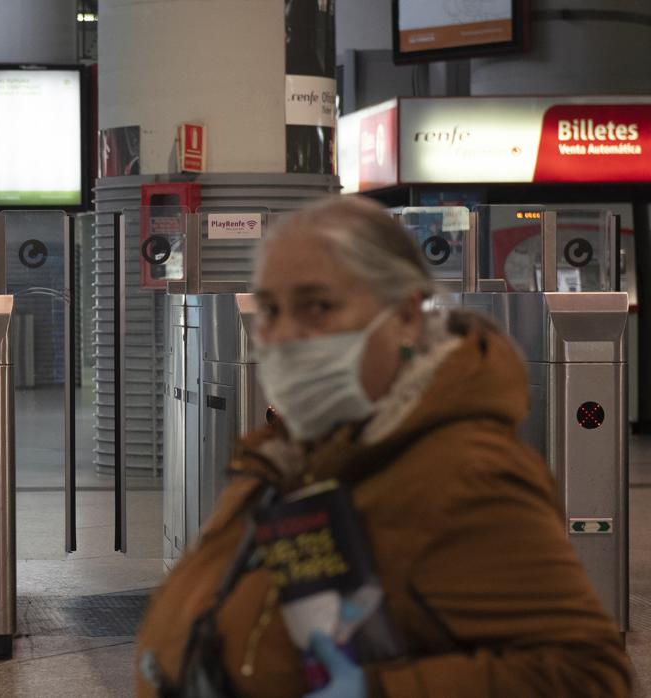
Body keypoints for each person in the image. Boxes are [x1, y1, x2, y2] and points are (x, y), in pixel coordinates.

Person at [135, 196, 630, 697]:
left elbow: (588, 677)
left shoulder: (466, 474)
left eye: (318, 306)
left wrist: (382, 693)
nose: (282, 335)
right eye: (269, 309)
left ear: (407, 315)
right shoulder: (294, 454)